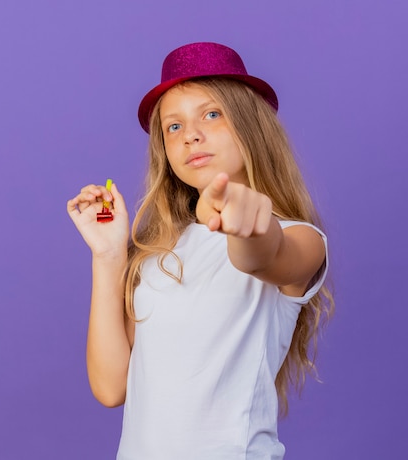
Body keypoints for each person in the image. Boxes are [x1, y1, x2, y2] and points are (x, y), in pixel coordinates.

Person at [67, 42, 333, 460]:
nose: (191, 134)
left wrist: (249, 225)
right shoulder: (160, 253)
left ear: (251, 126)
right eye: (173, 127)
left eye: (212, 114)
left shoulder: (298, 238)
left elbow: (259, 255)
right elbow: (112, 386)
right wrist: (108, 255)